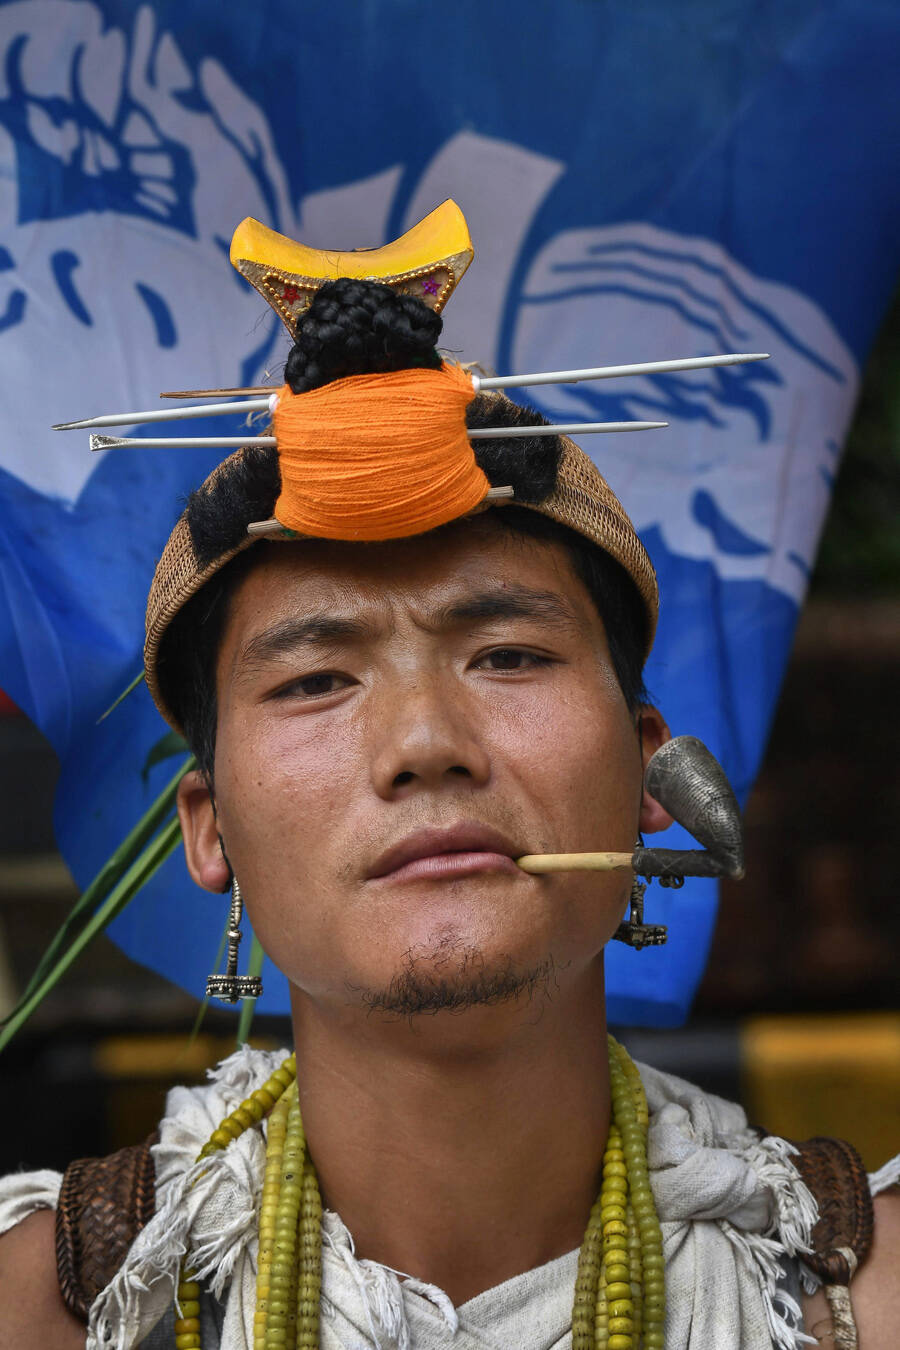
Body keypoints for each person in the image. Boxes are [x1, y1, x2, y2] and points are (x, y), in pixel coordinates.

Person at [0, 207, 897, 1350]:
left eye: (509, 655)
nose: (426, 738)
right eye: (318, 679)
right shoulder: (52, 1308)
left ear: (646, 774)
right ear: (210, 826)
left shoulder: (855, 1301)